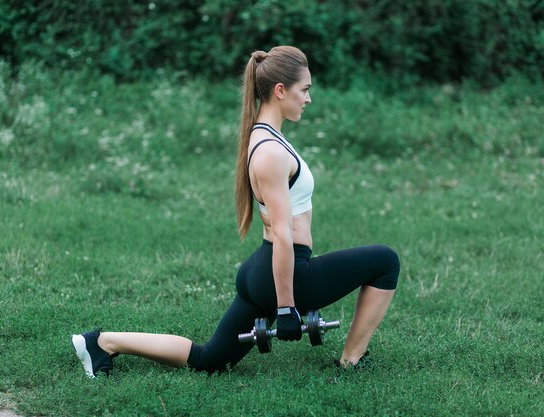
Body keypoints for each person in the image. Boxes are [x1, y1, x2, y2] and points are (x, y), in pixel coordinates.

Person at [71, 45, 400, 377]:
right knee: (385, 261)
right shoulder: (270, 151)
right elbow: (283, 235)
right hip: (286, 274)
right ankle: (351, 362)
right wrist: (286, 307)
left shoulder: (264, 136)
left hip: (262, 270)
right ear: (280, 90)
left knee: (210, 360)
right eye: (305, 90)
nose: (308, 99)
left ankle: (102, 342)